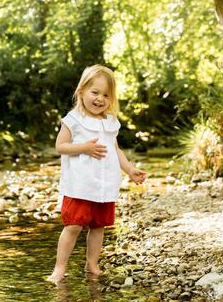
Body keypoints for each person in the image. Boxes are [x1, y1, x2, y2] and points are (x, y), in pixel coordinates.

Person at [47, 64, 146, 285]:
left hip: (104, 184)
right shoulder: (73, 119)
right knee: (73, 225)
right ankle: (59, 268)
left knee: (98, 226)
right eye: (95, 92)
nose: (100, 99)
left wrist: (129, 169)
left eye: (106, 95)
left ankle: (92, 263)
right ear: (81, 91)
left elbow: (115, 149)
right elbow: (60, 146)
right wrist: (83, 147)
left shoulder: (111, 122)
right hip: (80, 184)